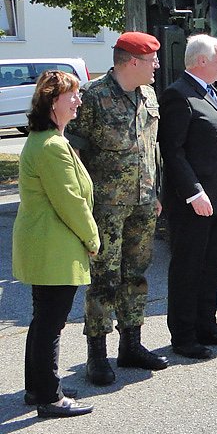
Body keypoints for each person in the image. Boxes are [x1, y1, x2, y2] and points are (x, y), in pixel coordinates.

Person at [66, 32, 168, 385]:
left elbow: (150, 148)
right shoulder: (93, 96)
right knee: (104, 279)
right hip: (105, 206)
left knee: (136, 275)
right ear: (133, 62)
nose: (157, 66)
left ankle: (131, 345)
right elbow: (74, 152)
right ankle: (97, 354)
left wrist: (154, 192)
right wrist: (80, 203)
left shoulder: (148, 94)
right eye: (152, 60)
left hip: (143, 201)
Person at [13, 71, 99, 417]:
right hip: (53, 245)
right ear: (52, 102)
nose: (78, 100)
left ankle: (39, 388)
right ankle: (50, 397)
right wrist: (92, 238)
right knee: (51, 323)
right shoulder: (51, 146)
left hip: (46, 243)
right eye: (72, 95)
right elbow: (70, 201)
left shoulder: (48, 139)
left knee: (44, 320)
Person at [158, 34, 217, 358]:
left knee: (210, 266)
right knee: (187, 269)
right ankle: (183, 337)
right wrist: (194, 192)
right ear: (202, 60)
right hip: (193, 202)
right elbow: (173, 151)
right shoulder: (178, 95)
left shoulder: (212, 94)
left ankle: (207, 326)